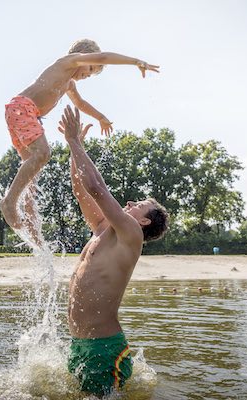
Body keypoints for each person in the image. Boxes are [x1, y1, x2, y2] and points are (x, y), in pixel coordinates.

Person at [58, 106, 170, 396]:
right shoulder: (101, 229)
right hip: (79, 344)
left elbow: (96, 187)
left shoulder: (131, 235)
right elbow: (82, 190)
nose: (131, 202)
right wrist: (75, 150)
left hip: (103, 348)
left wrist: (73, 142)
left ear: (144, 221)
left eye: (139, 205)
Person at [0, 38, 159, 239]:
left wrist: (101, 117)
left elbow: (81, 103)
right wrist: (136, 61)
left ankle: (30, 223)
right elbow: (104, 56)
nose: (87, 75)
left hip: (26, 115)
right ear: (83, 55)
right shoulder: (69, 61)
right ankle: (9, 203)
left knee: (32, 170)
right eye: (90, 69)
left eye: (91, 74)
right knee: (43, 154)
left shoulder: (69, 84)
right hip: (23, 109)